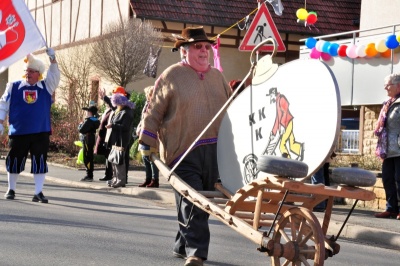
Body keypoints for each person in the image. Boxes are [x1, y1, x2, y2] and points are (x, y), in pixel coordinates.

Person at [138, 26, 231, 266]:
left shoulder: (217, 77)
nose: (204, 51)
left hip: (215, 151)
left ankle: (182, 244)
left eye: (206, 47)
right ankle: (196, 253)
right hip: (182, 151)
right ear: (184, 51)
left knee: (202, 203)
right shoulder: (171, 76)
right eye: (198, 47)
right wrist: (146, 142)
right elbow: (153, 110)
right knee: (194, 200)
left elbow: (232, 109)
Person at [0, 49, 60, 203]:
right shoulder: (13, 86)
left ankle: (38, 192)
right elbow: (3, 104)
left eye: (32, 71)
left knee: (39, 162)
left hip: (41, 132)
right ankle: (11, 189)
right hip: (19, 132)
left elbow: (55, 76)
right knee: (13, 160)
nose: (28, 74)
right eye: (27, 71)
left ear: (38, 73)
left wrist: (53, 60)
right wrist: (0, 122)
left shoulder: (45, 87)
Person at [374, 73, 400, 220]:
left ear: (398, 86)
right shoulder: (388, 103)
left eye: (388, 84)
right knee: (387, 178)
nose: (385, 87)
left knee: (399, 179)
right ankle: (391, 208)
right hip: (387, 149)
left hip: (399, 148)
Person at [105, 92, 135, 188]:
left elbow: (125, 127)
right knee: (114, 160)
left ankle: (121, 180)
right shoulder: (120, 110)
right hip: (116, 139)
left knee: (119, 160)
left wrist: (112, 125)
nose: (116, 105)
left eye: (117, 103)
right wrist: (105, 98)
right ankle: (116, 178)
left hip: (121, 139)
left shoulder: (126, 112)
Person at [137, 86, 159, 188]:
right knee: (145, 157)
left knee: (151, 158)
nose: (146, 96)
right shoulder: (147, 104)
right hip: (144, 133)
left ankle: (155, 180)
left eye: (148, 94)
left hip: (151, 134)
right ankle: (148, 179)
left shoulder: (156, 105)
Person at [95, 88, 114, 181]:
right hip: (104, 135)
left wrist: (104, 97)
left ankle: (109, 174)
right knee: (106, 155)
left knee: (108, 155)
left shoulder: (112, 110)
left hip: (108, 136)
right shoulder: (107, 110)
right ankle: (108, 173)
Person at [78, 105, 100, 182]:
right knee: (89, 156)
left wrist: (80, 124)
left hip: (87, 139)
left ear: (90, 112)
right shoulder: (95, 120)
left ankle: (89, 175)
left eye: (87, 111)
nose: (86, 113)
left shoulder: (89, 121)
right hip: (91, 138)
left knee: (87, 157)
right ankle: (89, 174)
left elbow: (81, 130)